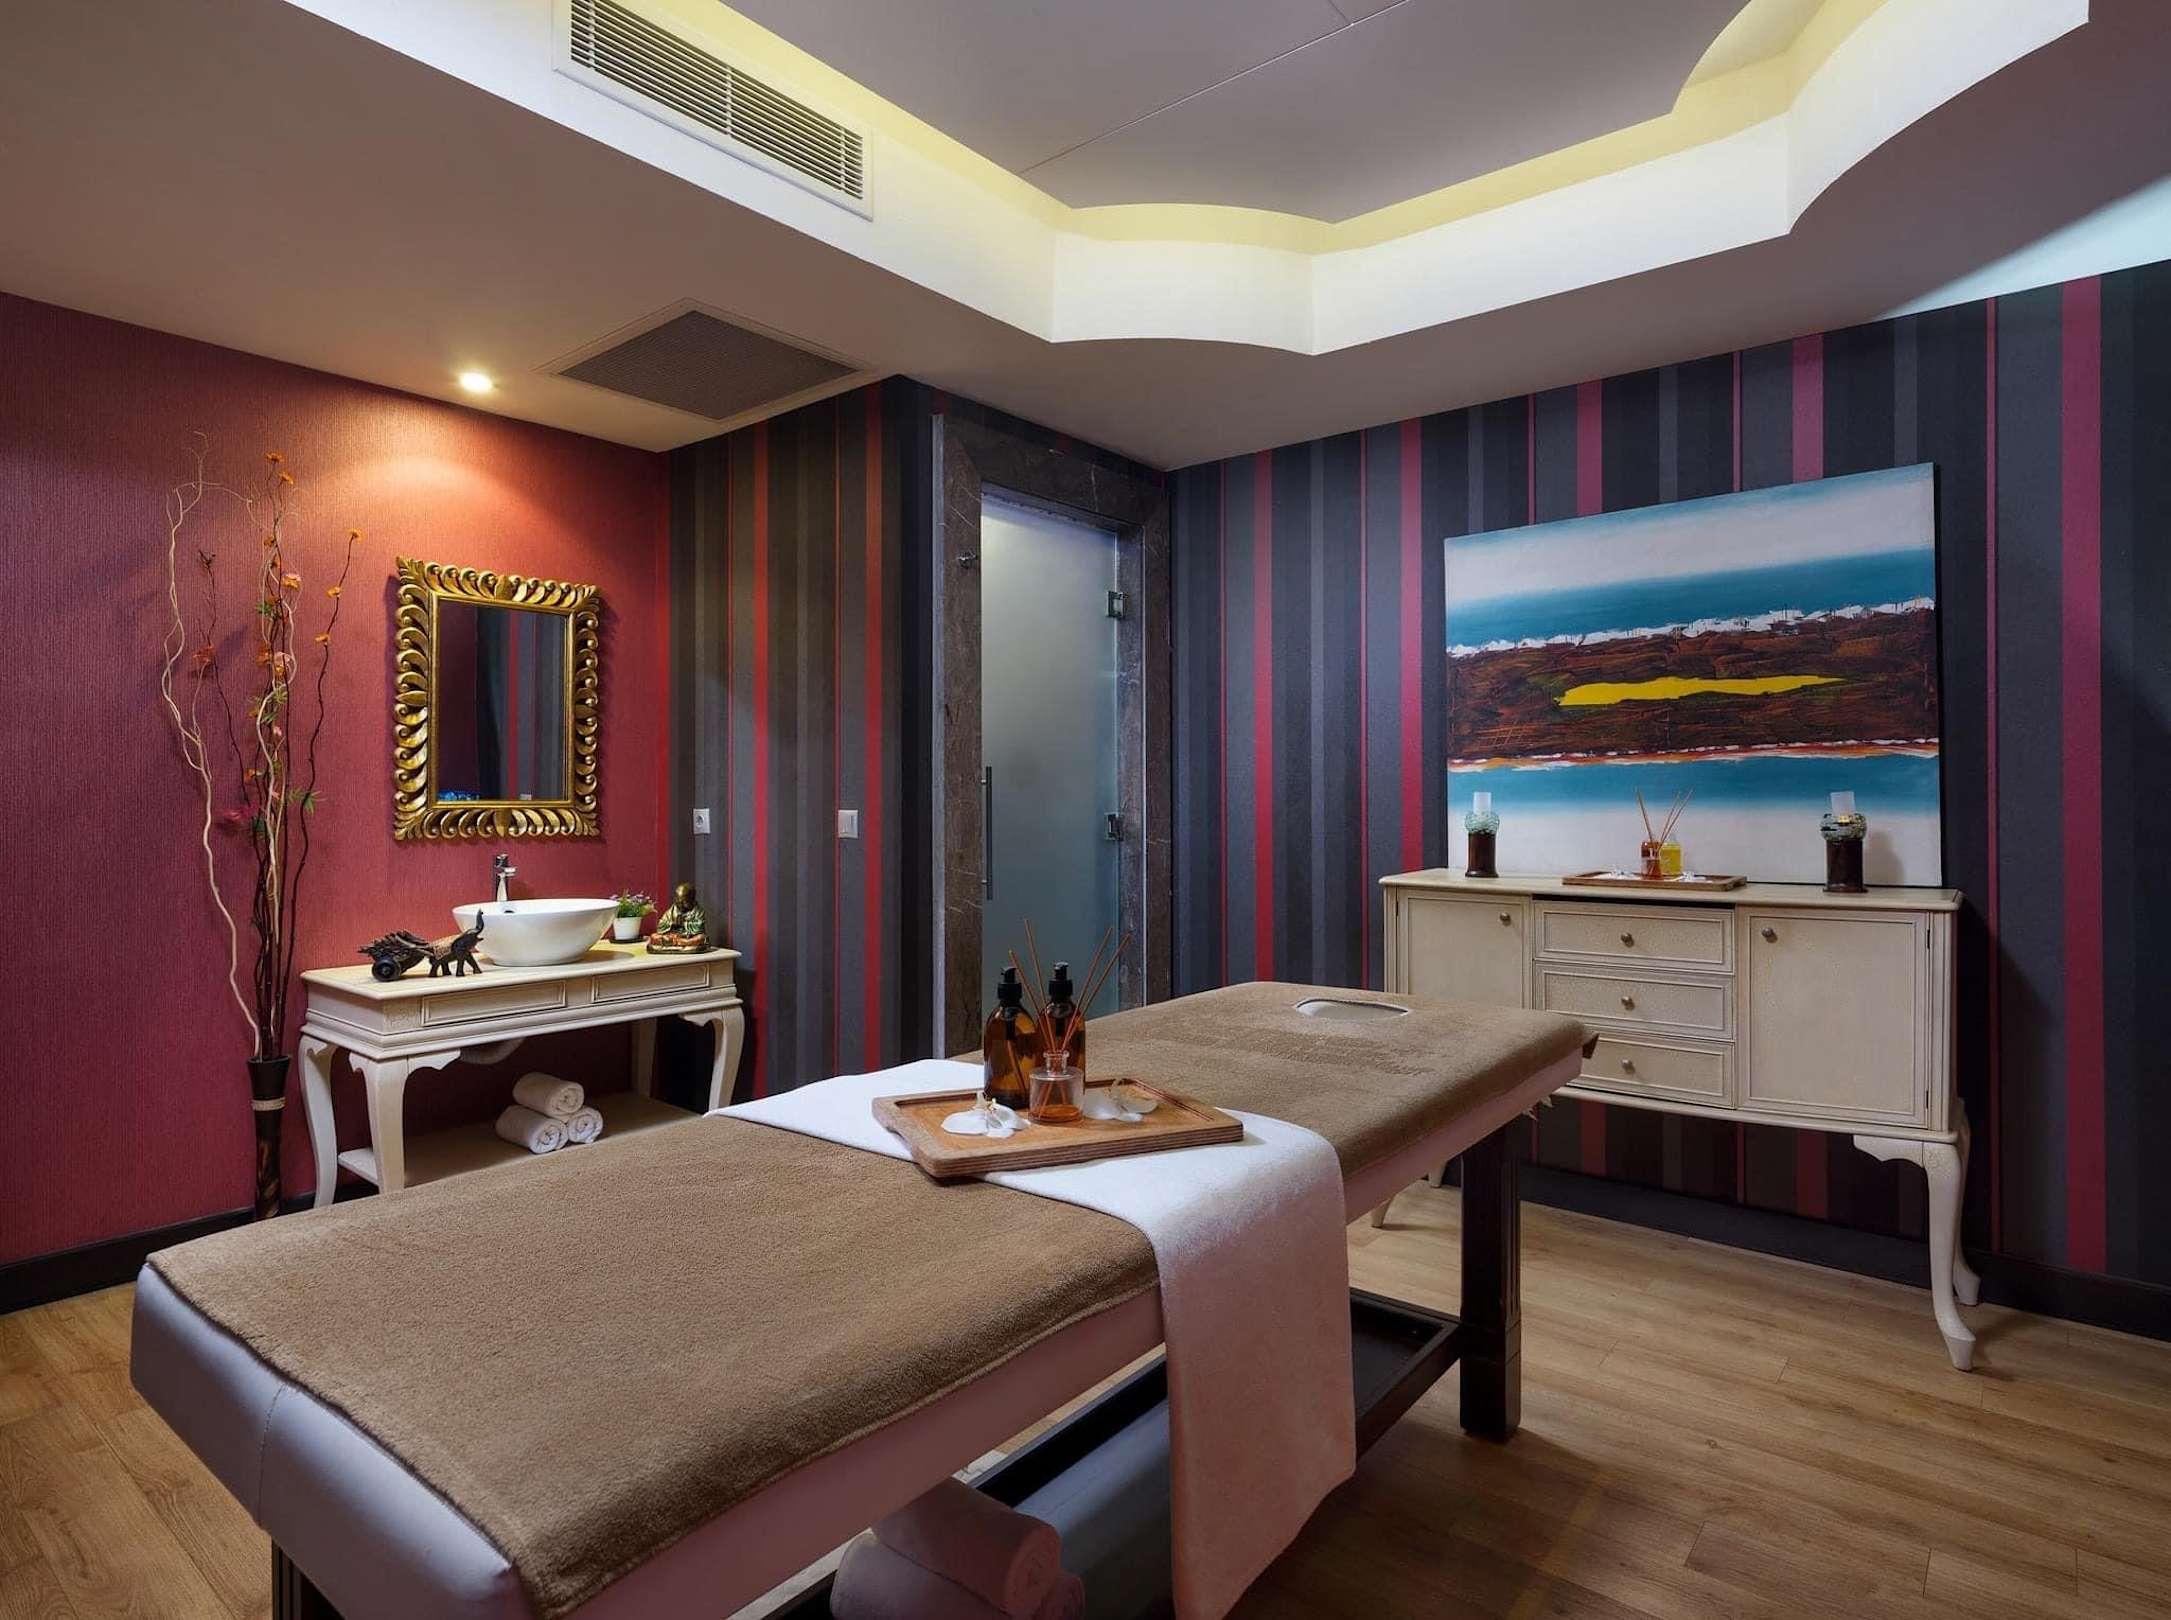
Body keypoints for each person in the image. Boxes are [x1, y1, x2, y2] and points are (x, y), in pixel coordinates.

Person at [646, 881, 710, 953]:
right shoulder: (672, 910)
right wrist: (672, 923)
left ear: (691, 900)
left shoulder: (698, 911)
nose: (681, 905)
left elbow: (699, 928)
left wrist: (684, 923)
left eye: (684, 902)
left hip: (688, 937)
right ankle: (679, 943)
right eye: (679, 902)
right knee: (654, 936)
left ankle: (684, 942)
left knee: (701, 937)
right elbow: (661, 925)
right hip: (672, 936)